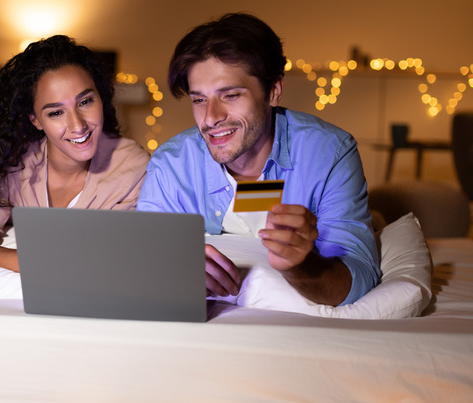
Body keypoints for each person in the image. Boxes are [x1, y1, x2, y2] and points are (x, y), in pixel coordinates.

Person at [136, 13, 380, 306]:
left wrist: (301, 266)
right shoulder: (171, 166)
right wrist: (174, 274)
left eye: (230, 95)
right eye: (199, 99)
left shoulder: (331, 154)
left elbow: (360, 278)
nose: (211, 118)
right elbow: (146, 267)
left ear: (273, 91)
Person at [0, 35, 150, 272]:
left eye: (85, 102)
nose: (77, 125)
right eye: (56, 113)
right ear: (36, 120)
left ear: (101, 98)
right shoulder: (16, 164)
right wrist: (37, 263)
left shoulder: (133, 168)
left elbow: (116, 258)